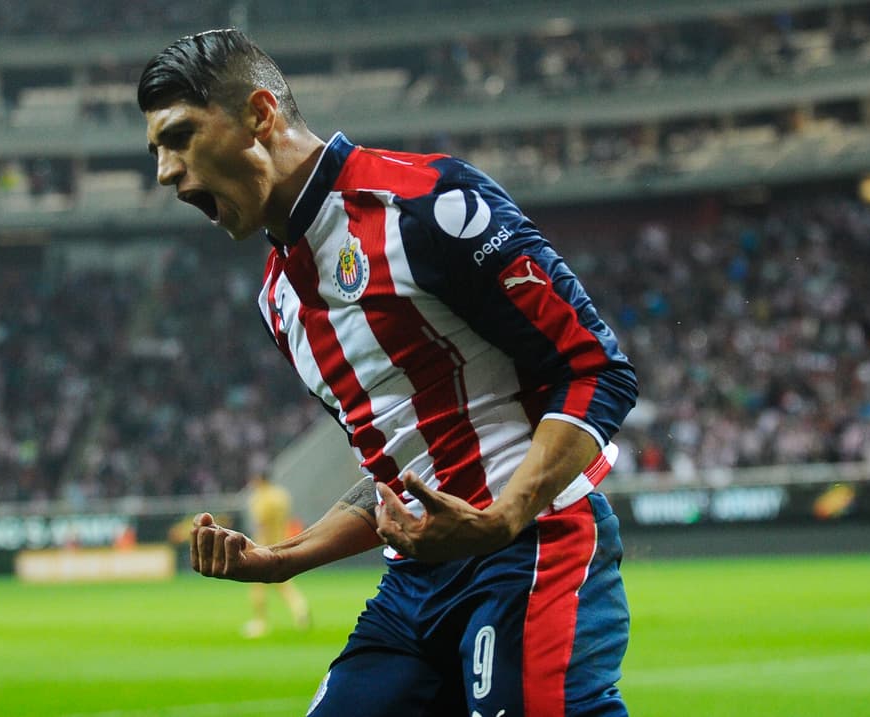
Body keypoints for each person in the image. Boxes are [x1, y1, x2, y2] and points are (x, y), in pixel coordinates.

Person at [139, 29, 638, 716]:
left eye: (181, 135)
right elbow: (393, 473)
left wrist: (503, 517)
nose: (165, 171)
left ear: (260, 113)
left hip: (530, 549)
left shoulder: (429, 205)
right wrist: (284, 558)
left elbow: (598, 365)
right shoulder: (278, 301)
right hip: (413, 586)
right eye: (157, 151)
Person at [240, 472, 311, 638]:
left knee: (257, 586)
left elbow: (261, 524)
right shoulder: (281, 495)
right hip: (282, 543)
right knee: (284, 584)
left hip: (263, 546)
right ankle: (301, 610)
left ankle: (260, 623)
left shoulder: (261, 499)